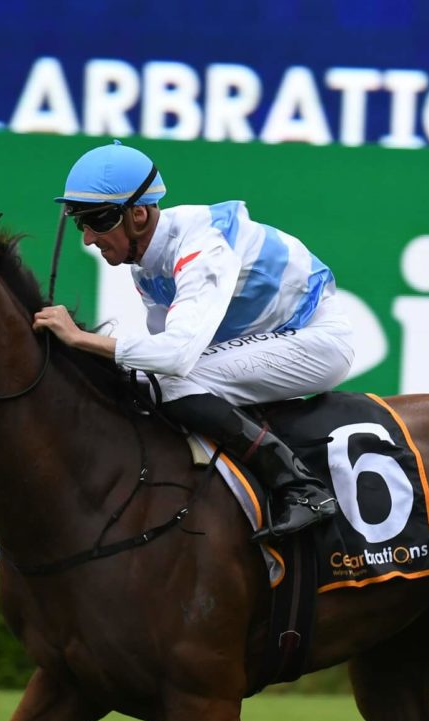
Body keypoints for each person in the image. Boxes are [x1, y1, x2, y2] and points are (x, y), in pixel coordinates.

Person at [32, 140, 354, 541]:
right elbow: (159, 356)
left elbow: (176, 357)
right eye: (79, 222)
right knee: (151, 386)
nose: (88, 238)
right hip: (270, 337)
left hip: (316, 341)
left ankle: (302, 488)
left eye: (96, 221)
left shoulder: (203, 248)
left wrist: (80, 340)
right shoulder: (146, 266)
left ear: (138, 214)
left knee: (168, 380)